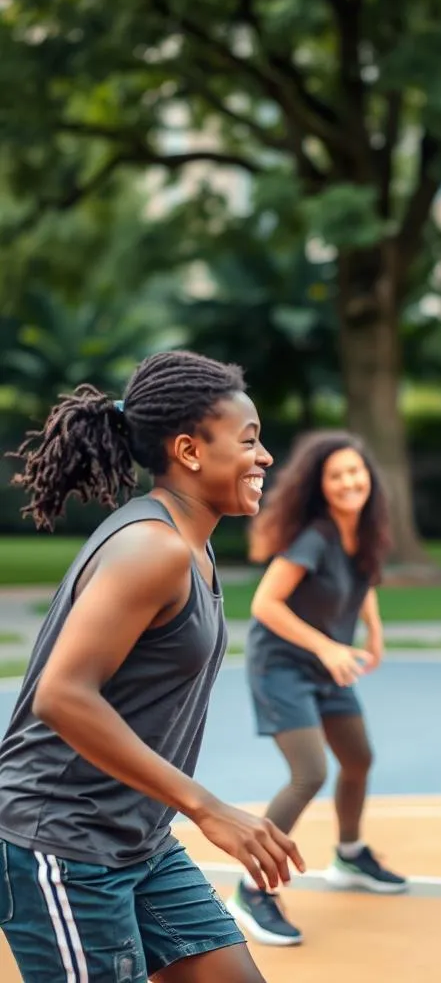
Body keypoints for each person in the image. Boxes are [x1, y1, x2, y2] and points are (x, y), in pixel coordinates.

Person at [0, 351, 304, 983]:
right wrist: (207, 807)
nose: (266, 457)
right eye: (249, 441)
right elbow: (62, 694)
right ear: (191, 451)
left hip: (136, 836)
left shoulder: (193, 544)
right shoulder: (151, 548)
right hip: (61, 839)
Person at [227, 429, 407, 947]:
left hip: (329, 665)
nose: (350, 481)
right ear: (320, 486)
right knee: (308, 771)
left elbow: (363, 579)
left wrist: (373, 629)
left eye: (355, 471)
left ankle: (349, 856)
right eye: (337, 475)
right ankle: (251, 888)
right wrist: (328, 647)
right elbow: (265, 605)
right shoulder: (314, 537)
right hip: (282, 665)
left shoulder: (363, 530)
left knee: (358, 757)